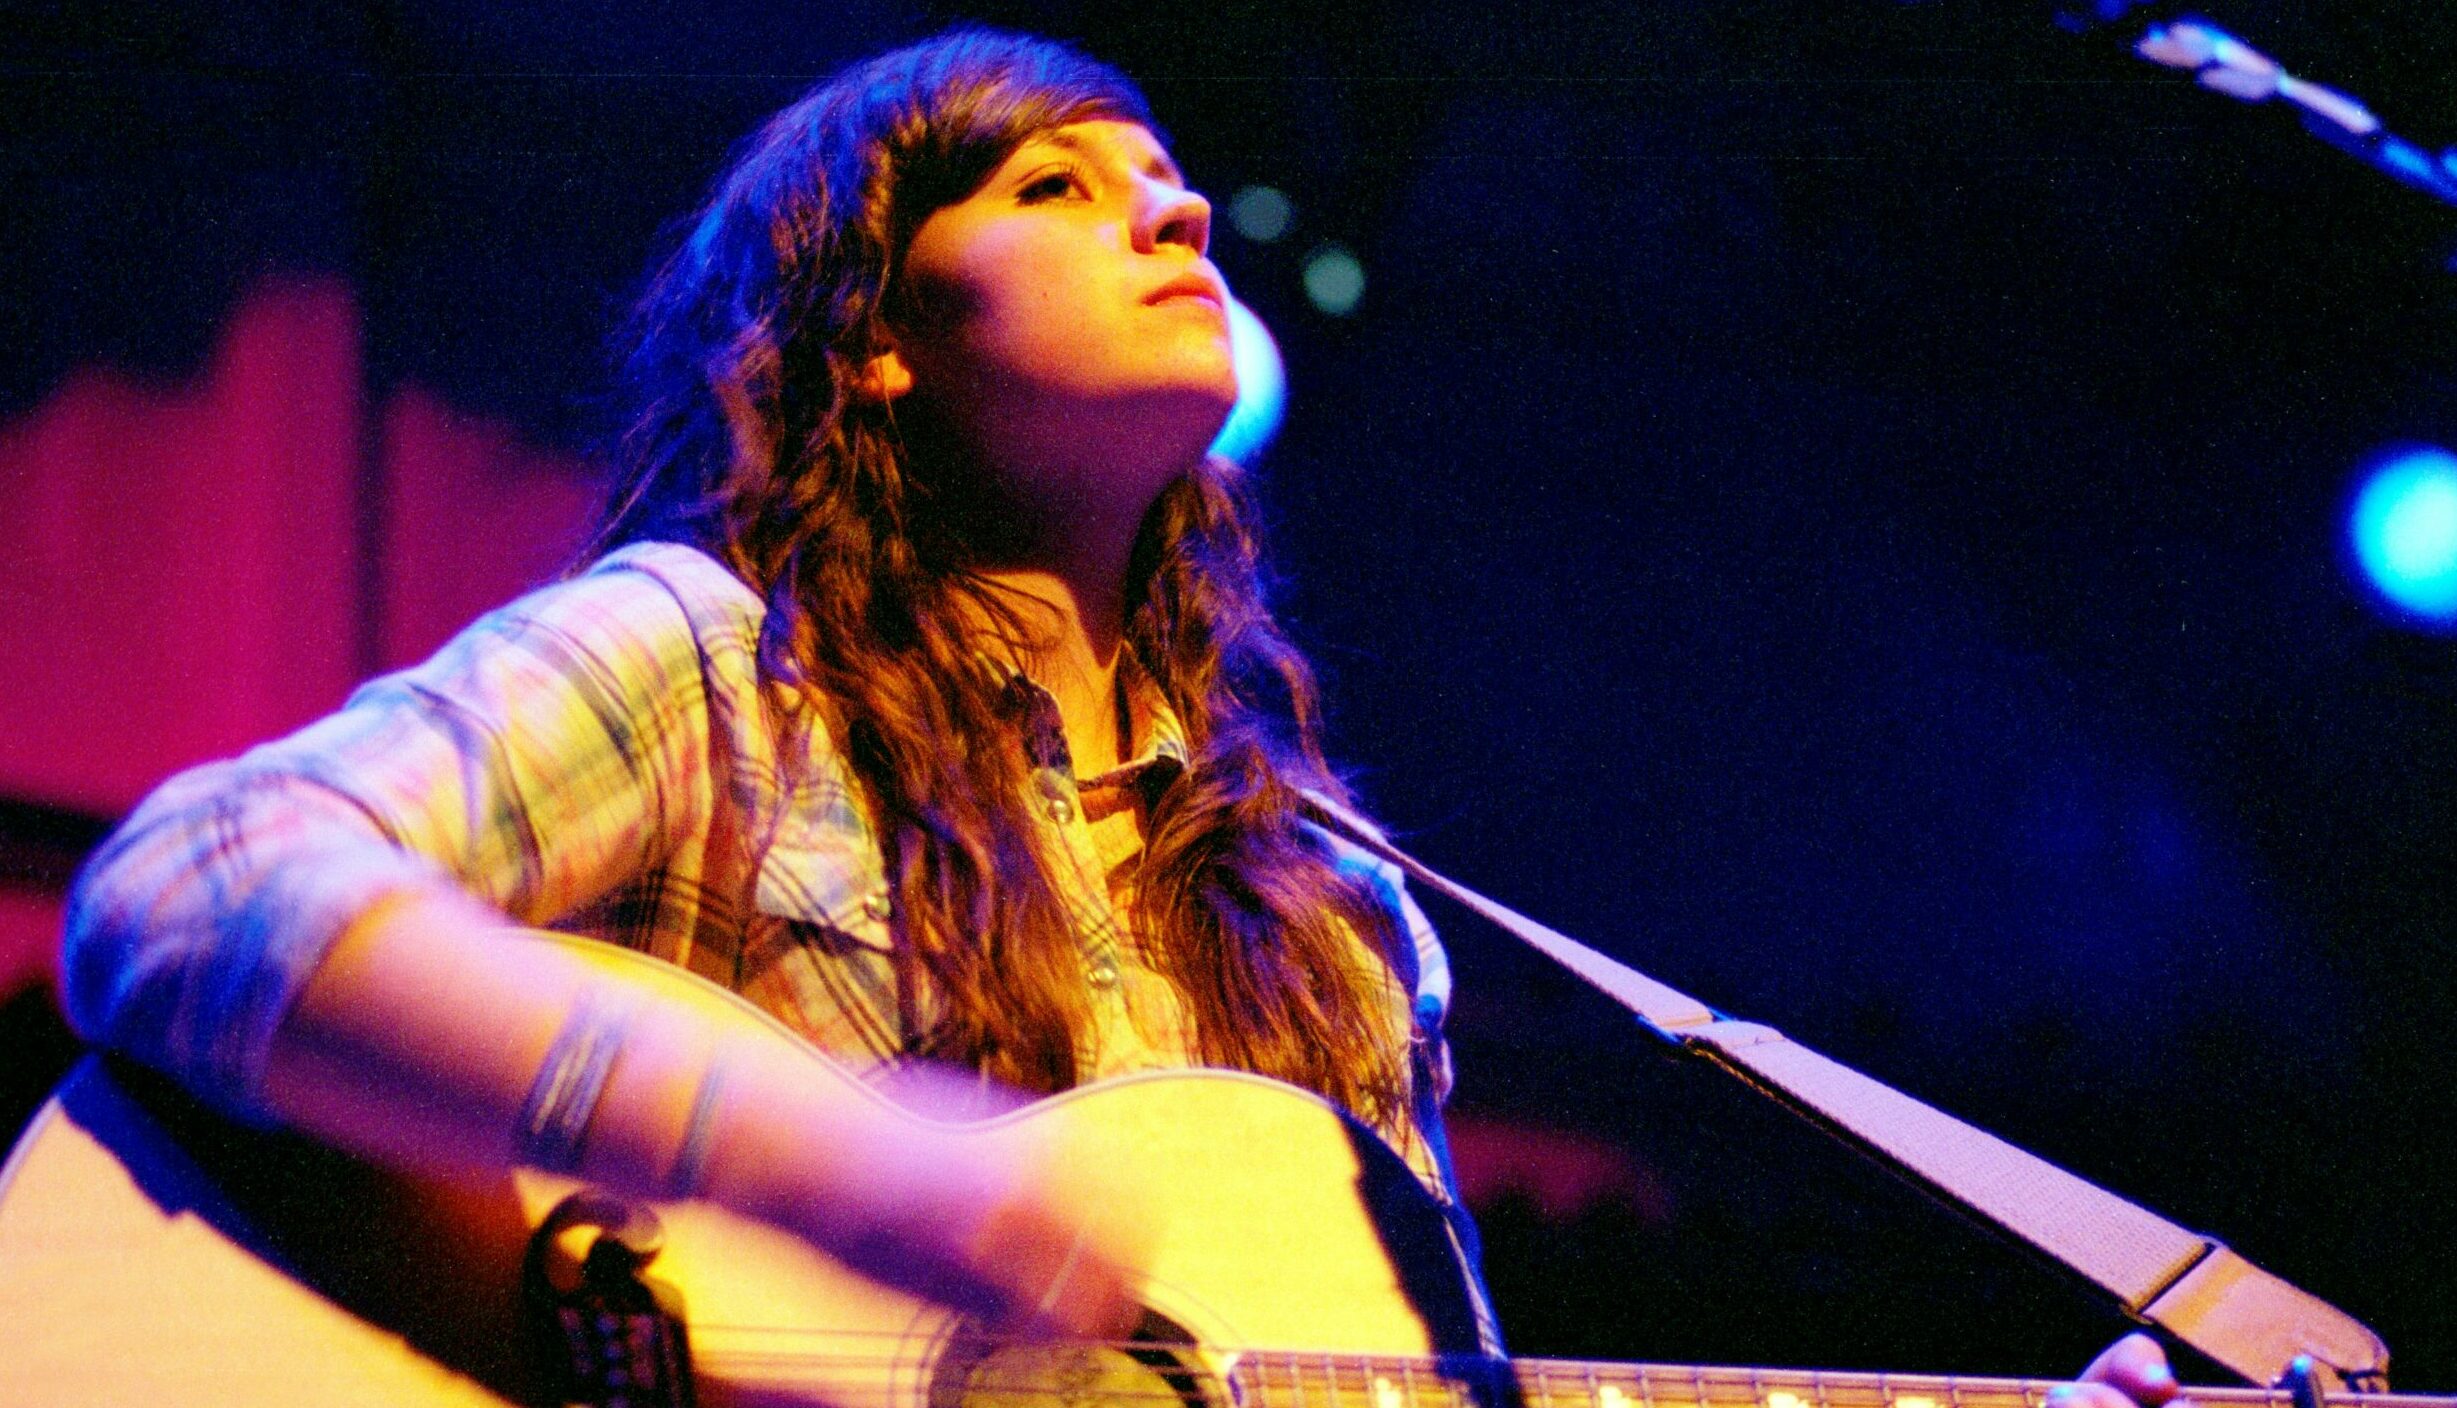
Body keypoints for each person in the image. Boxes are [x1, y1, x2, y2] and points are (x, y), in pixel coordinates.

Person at [58, 26, 2181, 1407]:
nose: (1168, 207)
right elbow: (188, 890)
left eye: (1163, 177)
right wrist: (836, 1166)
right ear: (873, 340)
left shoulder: (1335, 913)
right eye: (1050, 188)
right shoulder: (711, 662)